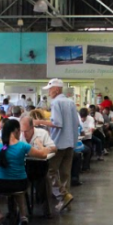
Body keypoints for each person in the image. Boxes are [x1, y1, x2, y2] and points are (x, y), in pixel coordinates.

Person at [0, 119, 50, 225]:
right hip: (20, 183)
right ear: (17, 131)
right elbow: (43, 155)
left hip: (2, 184)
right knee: (19, 191)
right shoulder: (22, 146)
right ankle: (23, 216)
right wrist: (41, 145)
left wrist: (1, 168)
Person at [33, 79, 80, 214]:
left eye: (50, 89)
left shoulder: (56, 103)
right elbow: (76, 123)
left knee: (50, 171)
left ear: (57, 89)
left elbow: (57, 123)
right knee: (65, 174)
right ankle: (66, 201)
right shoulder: (71, 102)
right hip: (70, 142)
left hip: (58, 143)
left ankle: (62, 195)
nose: (49, 91)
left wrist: (39, 121)